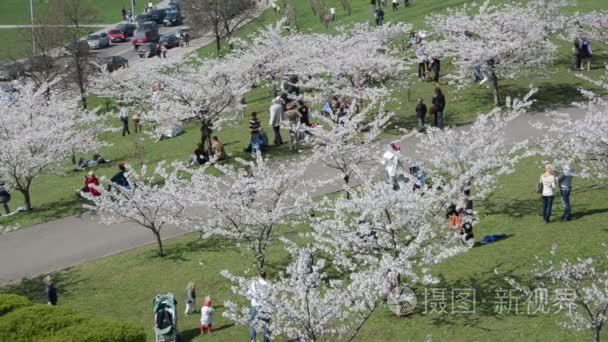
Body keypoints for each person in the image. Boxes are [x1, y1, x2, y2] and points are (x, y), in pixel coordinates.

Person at [248, 275, 271, 342]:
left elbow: (249, 294)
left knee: (253, 325)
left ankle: (252, 340)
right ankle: (266, 340)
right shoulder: (267, 284)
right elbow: (270, 296)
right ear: (265, 276)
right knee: (266, 326)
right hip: (265, 306)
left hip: (254, 306)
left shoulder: (253, 283)